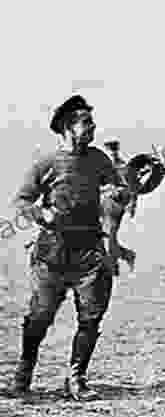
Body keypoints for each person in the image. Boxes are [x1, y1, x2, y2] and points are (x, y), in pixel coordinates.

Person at [10, 95, 127, 400]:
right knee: (39, 316)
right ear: (67, 126)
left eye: (92, 121)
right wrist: (41, 214)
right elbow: (22, 200)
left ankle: (76, 378)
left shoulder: (100, 159)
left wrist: (119, 192)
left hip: (90, 251)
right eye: (85, 122)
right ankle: (23, 373)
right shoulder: (46, 161)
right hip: (51, 253)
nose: (92, 127)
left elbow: (120, 191)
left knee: (91, 317)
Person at [100, 138, 139, 276]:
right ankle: (126, 256)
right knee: (104, 237)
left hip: (116, 206)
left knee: (109, 235)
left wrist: (132, 206)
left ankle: (111, 268)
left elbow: (133, 189)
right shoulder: (102, 167)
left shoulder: (125, 167)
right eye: (109, 152)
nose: (112, 154)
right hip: (101, 205)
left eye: (113, 151)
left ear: (117, 151)